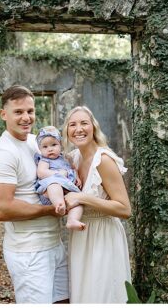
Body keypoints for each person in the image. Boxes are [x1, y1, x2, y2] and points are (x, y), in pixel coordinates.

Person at [0, 85, 67, 304]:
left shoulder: (36, 143)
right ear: (3, 114)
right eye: (18, 112)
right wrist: (52, 209)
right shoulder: (3, 152)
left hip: (54, 244)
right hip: (29, 252)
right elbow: (1, 209)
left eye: (30, 111)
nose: (26, 117)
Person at [64, 106, 132, 303]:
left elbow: (124, 209)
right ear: (67, 131)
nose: (79, 129)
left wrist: (82, 198)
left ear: (93, 127)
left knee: (102, 295)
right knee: (83, 295)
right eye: (72, 124)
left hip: (104, 236)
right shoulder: (72, 159)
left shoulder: (103, 160)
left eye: (84, 123)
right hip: (81, 238)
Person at [33, 125, 85, 231]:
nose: (50, 149)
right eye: (45, 147)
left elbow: (74, 169)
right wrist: (57, 174)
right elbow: (41, 173)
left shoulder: (66, 158)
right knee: (54, 185)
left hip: (66, 188)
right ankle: (59, 205)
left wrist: (77, 178)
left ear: (60, 144)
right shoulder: (44, 160)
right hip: (51, 190)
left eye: (53, 145)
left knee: (78, 201)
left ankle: (72, 220)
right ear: (40, 149)